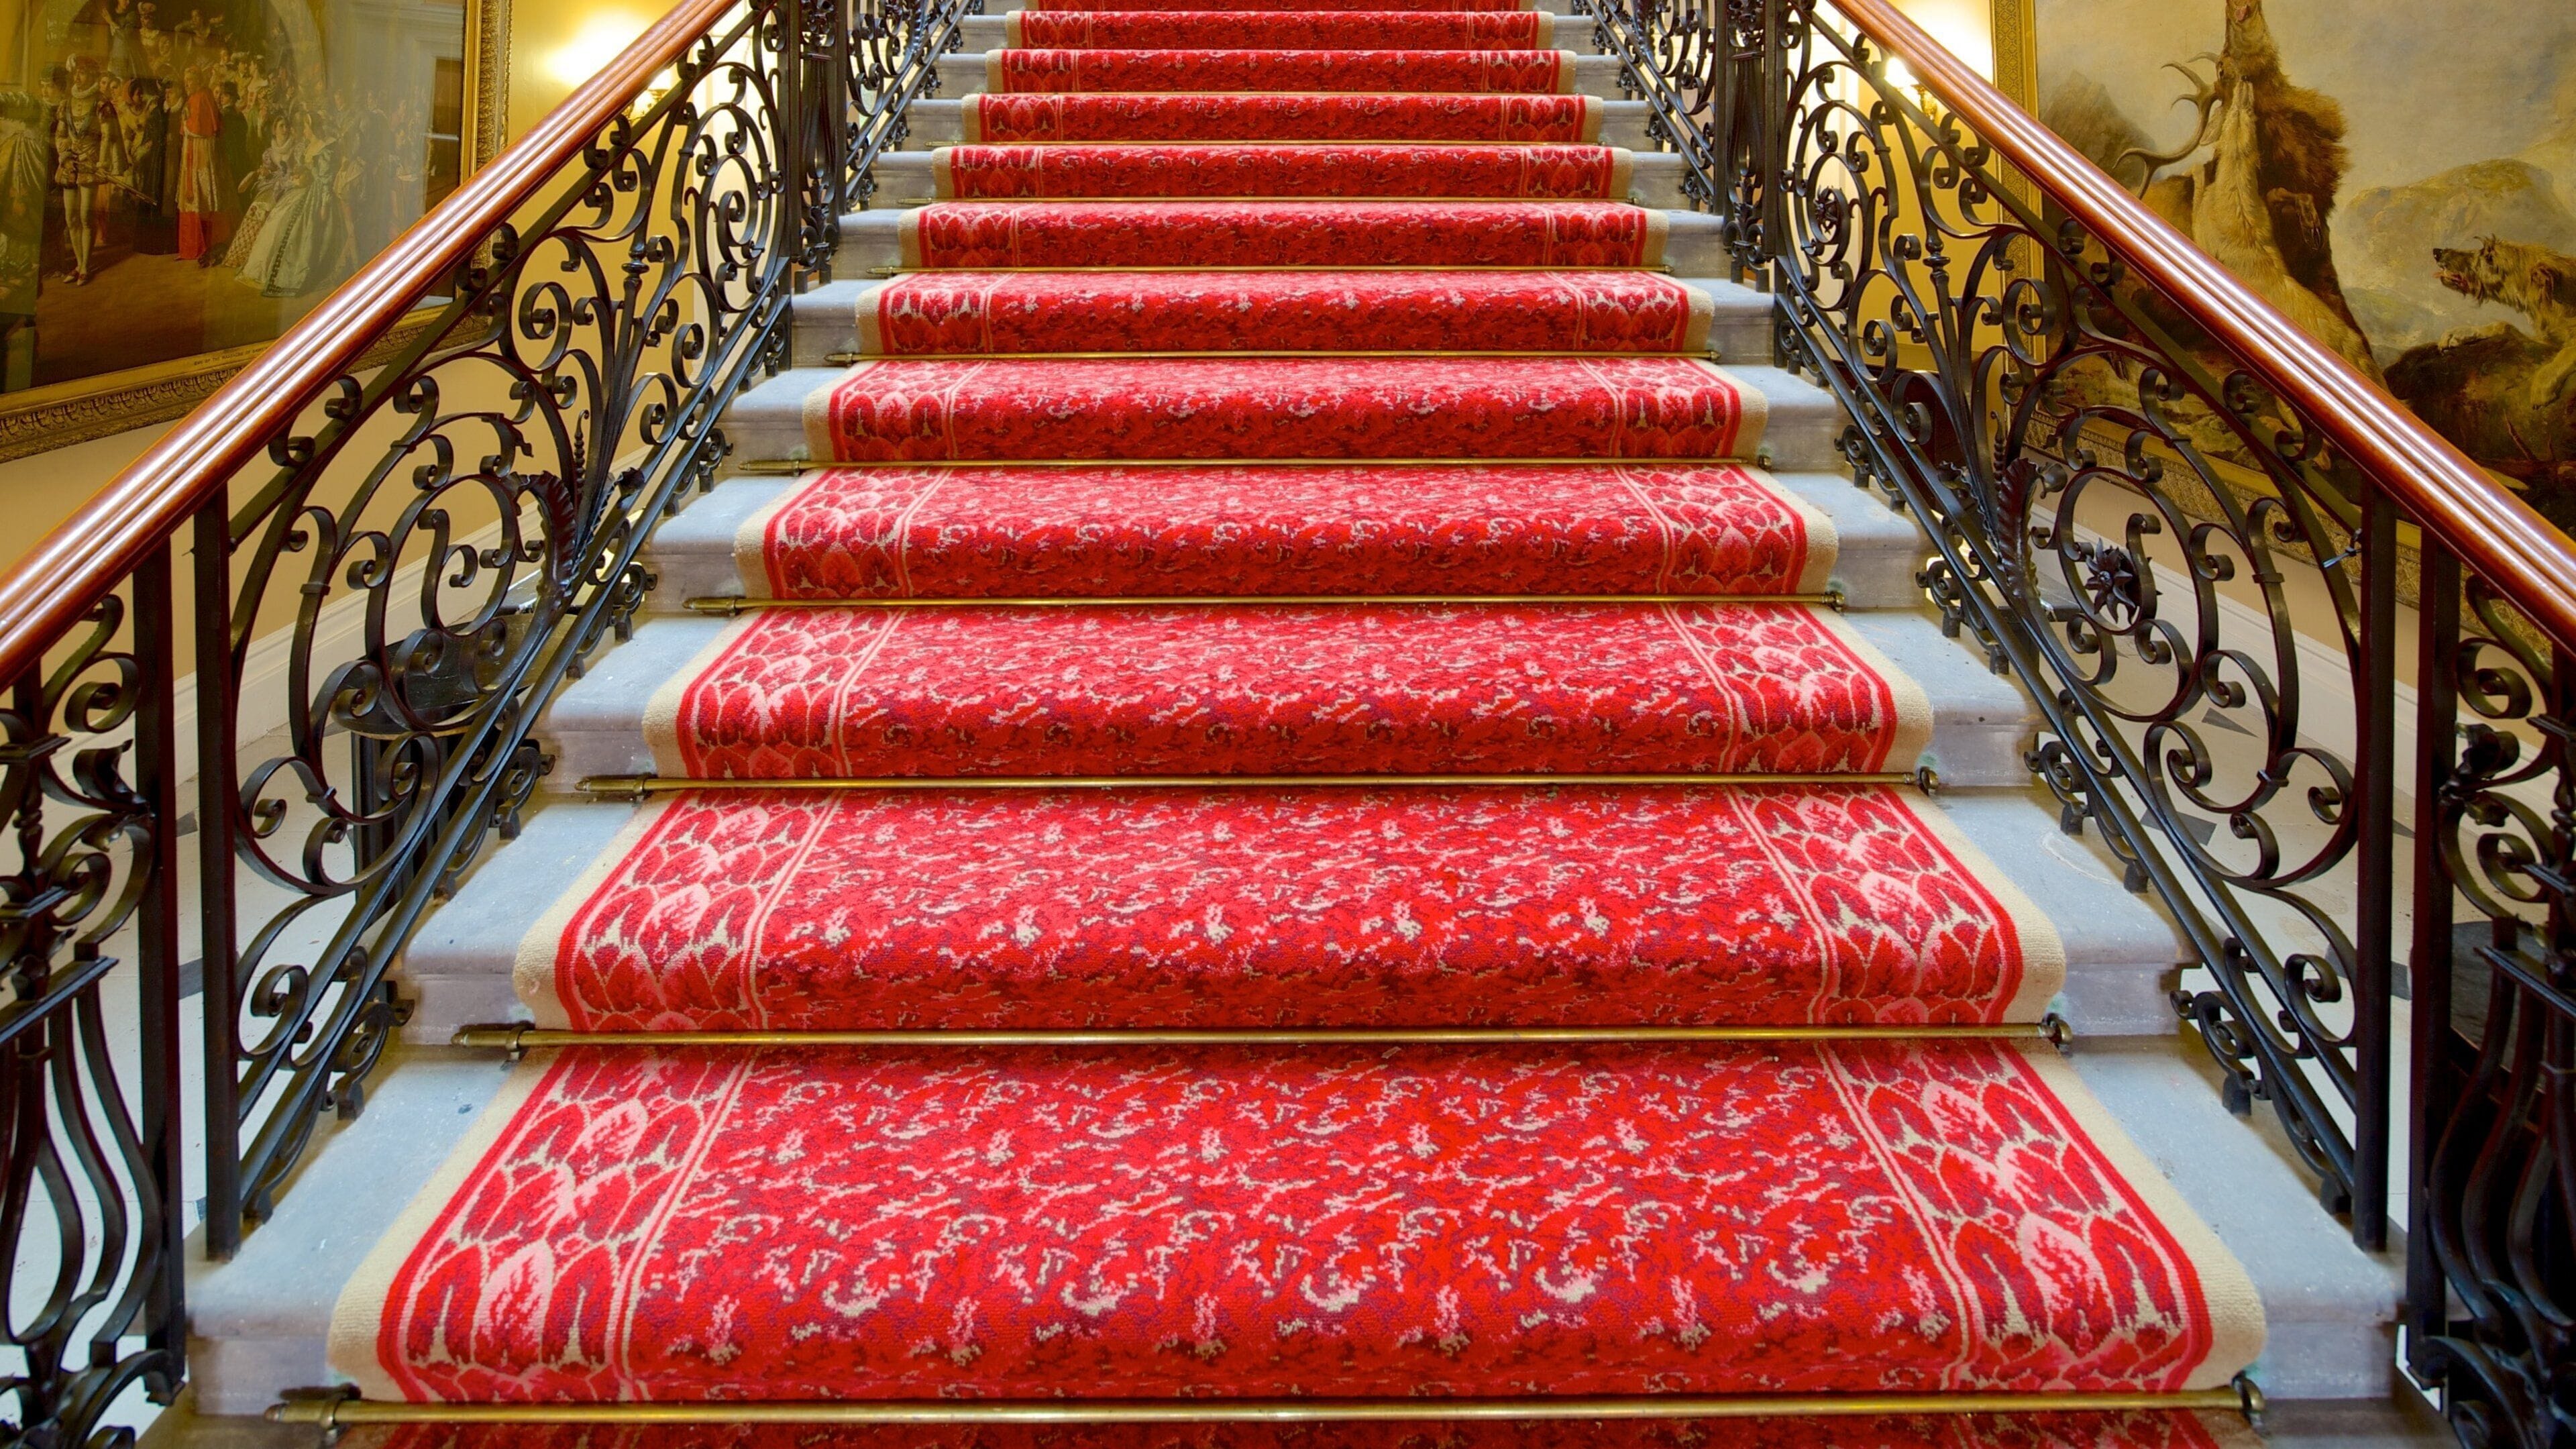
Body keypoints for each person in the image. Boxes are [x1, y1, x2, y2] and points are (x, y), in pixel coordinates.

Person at [49, 58, 123, 285]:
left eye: (83, 73)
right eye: (77, 73)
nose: (78, 77)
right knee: (71, 217)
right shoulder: (67, 103)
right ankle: (79, 264)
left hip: (90, 164)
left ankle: (85, 266)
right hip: (70, 164)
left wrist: (100, 162)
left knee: (85, 216)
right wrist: (65, 154)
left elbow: (108, 136)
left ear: (92, 75)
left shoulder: (101, 103)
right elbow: (61, 135)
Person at [174, 64, 225, 260]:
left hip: (201, 155)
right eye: (186, 82)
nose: (187, 85)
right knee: (191, 201)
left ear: (199, 82)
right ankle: (190, 247)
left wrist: (187, 124)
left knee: (202, 199)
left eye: (191, 81)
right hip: (191, 153)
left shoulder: (204, 96)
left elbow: (205, 129)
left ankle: (204, 247)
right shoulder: (192, 97)